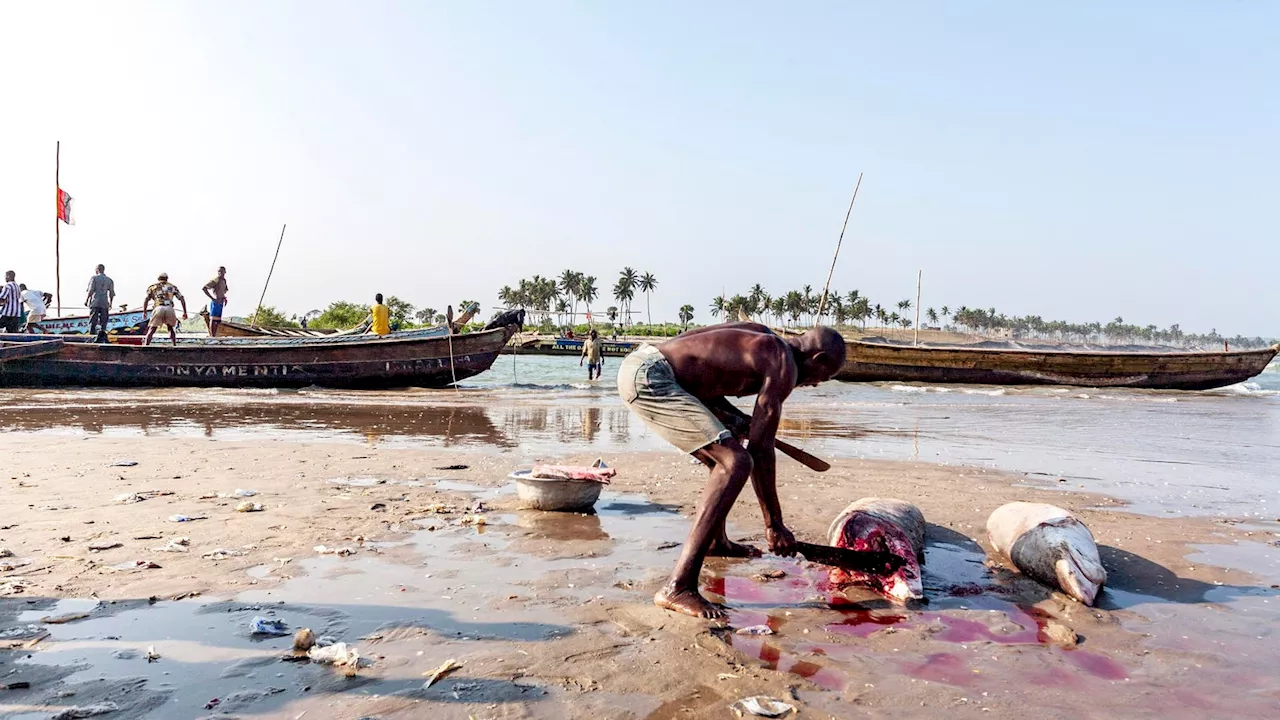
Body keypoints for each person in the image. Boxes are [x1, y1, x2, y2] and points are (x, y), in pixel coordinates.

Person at [616, 322, 848, 618]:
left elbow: (698, 365)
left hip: (649, 365)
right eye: (822, 378)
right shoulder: (782, 362)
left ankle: (716, 541)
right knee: (735, 463)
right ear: (817, 359)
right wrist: (773, 524)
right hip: (653, 377)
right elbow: (761, 451)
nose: (814, 384)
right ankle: (679, 586)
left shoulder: (761, 337)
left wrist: (734, 419)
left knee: (727, 448)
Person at [142, 272, 188, 346]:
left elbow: (146, 299)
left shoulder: (153, 287)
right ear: (167, 279)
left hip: (158, 308)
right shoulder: (172, 287)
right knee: (170, 328)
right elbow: (181, 298)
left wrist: (144, 311)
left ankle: (145, 346)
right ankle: (174, 345)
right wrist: (185, 312)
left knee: (152, 329)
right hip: (169, 308)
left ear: (158, 279)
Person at [86, 264, 115, 342]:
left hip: (95, 301)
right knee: (104, 321)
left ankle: (92, 337)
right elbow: (111, 293)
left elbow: (91, 290)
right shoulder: (109, 280)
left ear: (97, 270)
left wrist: (86, 300)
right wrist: (111, 303)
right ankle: (102, 337)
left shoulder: (94, 278)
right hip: (104, 302)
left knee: (93, 321)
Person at [201, 266, 229, 337]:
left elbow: (224, 290)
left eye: (222, 271)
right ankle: (212, 336)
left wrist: (224, 298)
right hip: (215, 302)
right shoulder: (216, 280)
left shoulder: (224, 281)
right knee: (213, 319)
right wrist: (212, 298)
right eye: (219, 271)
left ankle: (215, 335)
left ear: (225, 272)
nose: (220, 273)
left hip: (221, 302)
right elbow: (204, 288)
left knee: (217, 320)